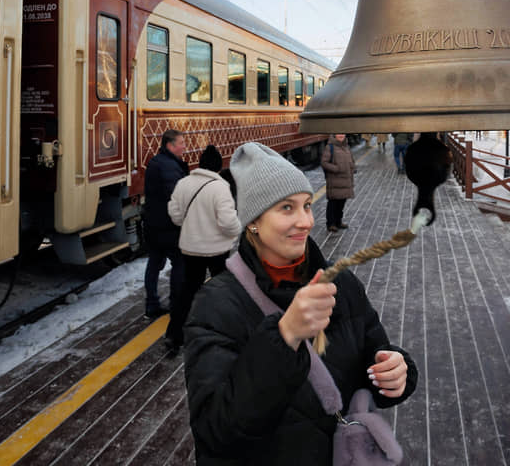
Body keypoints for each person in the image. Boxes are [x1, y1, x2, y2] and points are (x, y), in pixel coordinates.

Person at [184, 142, 417, 465]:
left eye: (307, 205)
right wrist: (284, 337)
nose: (306, 221)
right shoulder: (217, 304)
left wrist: (397, 372)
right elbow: (215, 430)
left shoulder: (342, 283)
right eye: (286, 208)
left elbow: (374, 360)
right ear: (253, 221)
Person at [166, 145, 240, 355]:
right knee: (223, 290)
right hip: (217, 249)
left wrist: (189, 227)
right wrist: (236, 231)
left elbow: (175, 213)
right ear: (218, 166)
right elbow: (227, 222)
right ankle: (225, 331)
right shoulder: (221, 187)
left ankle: (174, 335)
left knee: (188, 290)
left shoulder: (184, 183)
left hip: (190, 248)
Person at [142, 129, 188, 319]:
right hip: (167, 226)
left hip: (152, 224)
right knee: (179, 262)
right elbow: (176, 196)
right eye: (181, 143)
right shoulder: (169, 166)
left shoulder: (156, 161)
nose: (185, 146)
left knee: (154, 263)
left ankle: (151, 305)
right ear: (170, 145)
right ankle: (176, 304)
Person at [320, 134, 355, 233]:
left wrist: (353, 167)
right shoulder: (330, 147)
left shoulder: (346, 147)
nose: (341, 135)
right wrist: (336, 168)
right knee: (333, 203)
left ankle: (338, 222)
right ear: (335, 135)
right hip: (335, 180)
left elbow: (351, 160)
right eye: (338, 133)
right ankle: (331, 224)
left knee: (341, 203)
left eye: (342, 133)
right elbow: (324, 162)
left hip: (345, 180)